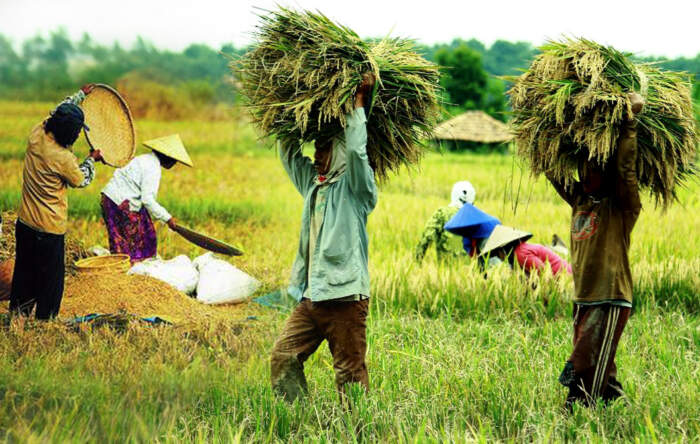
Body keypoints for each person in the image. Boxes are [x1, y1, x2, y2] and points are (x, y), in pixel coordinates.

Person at [269, 73, 378, 402]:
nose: (316, 155)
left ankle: (356, 431)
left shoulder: (356, 189)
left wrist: (359, 101)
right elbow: (288, 155)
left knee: (350, 374)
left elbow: (358, 153)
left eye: (324, 148)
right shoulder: (313, 187)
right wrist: (289, 112)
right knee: (283, 357)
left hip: (345, 299)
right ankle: (297, 416)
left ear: (340, 152)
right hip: (312, 297)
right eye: (316, 148)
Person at [546, 92, 644, 409]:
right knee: (599, 363)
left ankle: (576, 404)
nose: (585, 174)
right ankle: (615, 405)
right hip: (584, 295)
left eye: (592, 168)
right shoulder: (580, 200)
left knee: (587, 361)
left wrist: (629, 123)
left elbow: (627, 169)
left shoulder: (622, 206)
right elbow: (552, 171)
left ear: (605, 170)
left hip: (611, 294)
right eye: (581, 169)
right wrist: (547, 130)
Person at [10, 84, 103, 319]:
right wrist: (92, 160)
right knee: (51, 280)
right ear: (69, 135)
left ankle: (18, 316)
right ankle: (45, 321)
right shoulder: (63, 158)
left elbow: (57, 111)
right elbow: (81, 180)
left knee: (24, 272)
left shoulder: (37, 133)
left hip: (25, 223)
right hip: (49, 229)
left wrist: (80, 95)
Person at [101, 134, 193, 262]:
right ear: (168, 157)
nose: (175, 163)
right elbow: (148, 199)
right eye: (174, 160)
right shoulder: (153, 168)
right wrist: (168, 218)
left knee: (128, 238)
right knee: (134, 244)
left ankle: (127, 269)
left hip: (109, 198)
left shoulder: (144, 159)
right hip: (120, 203)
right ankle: (132, 272)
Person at [414, 181, 476, 263]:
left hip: (445, 268)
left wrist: (417, 261)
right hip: (471, 272)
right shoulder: (477, 216)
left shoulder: (442, 214)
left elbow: (427, 237)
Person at [480, 225, 572, 277]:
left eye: (497, 254)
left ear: (503, 249)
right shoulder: (517, 255)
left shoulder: (521, 254)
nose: (500, 259)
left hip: (566, 278)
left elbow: (545, 274)